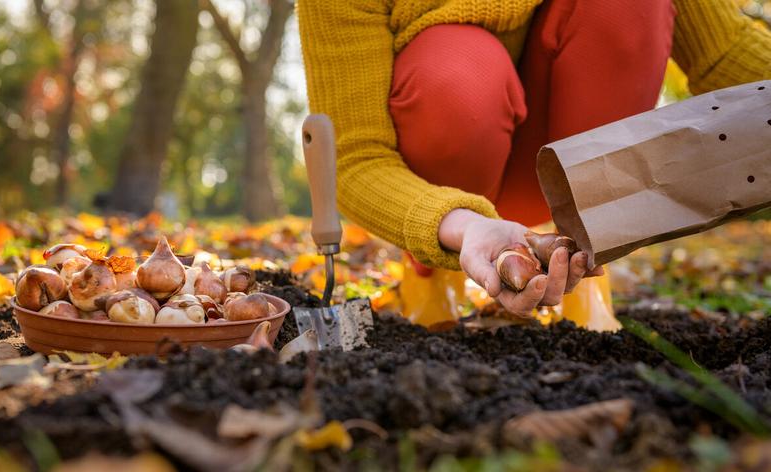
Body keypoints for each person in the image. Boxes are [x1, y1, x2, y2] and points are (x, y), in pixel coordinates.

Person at [296, 0, 771, 320]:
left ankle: (583, 262)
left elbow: (724, 52)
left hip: (562, 168)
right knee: (460, 70)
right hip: (447, 180)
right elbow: (358, 158)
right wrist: (458, 224)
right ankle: (432, 279)